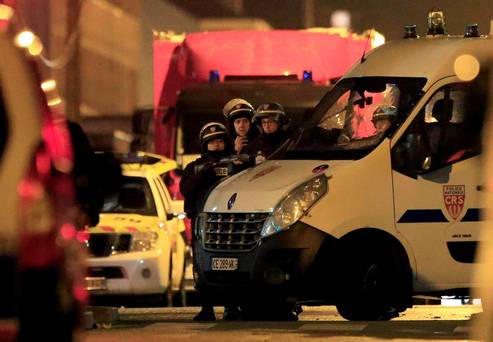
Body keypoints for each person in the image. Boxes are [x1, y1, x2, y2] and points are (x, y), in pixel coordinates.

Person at [179, 122, 241, 321]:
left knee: (231, 265)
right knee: (201, 265)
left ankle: (231, 307)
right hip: (202, 223)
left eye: (219, 141)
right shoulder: (194, 167)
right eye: (211, 142)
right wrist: (203, 175)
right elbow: (185, 190)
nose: (216, 145)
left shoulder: (235, 163)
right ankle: (207, 309)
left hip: (229, 223)